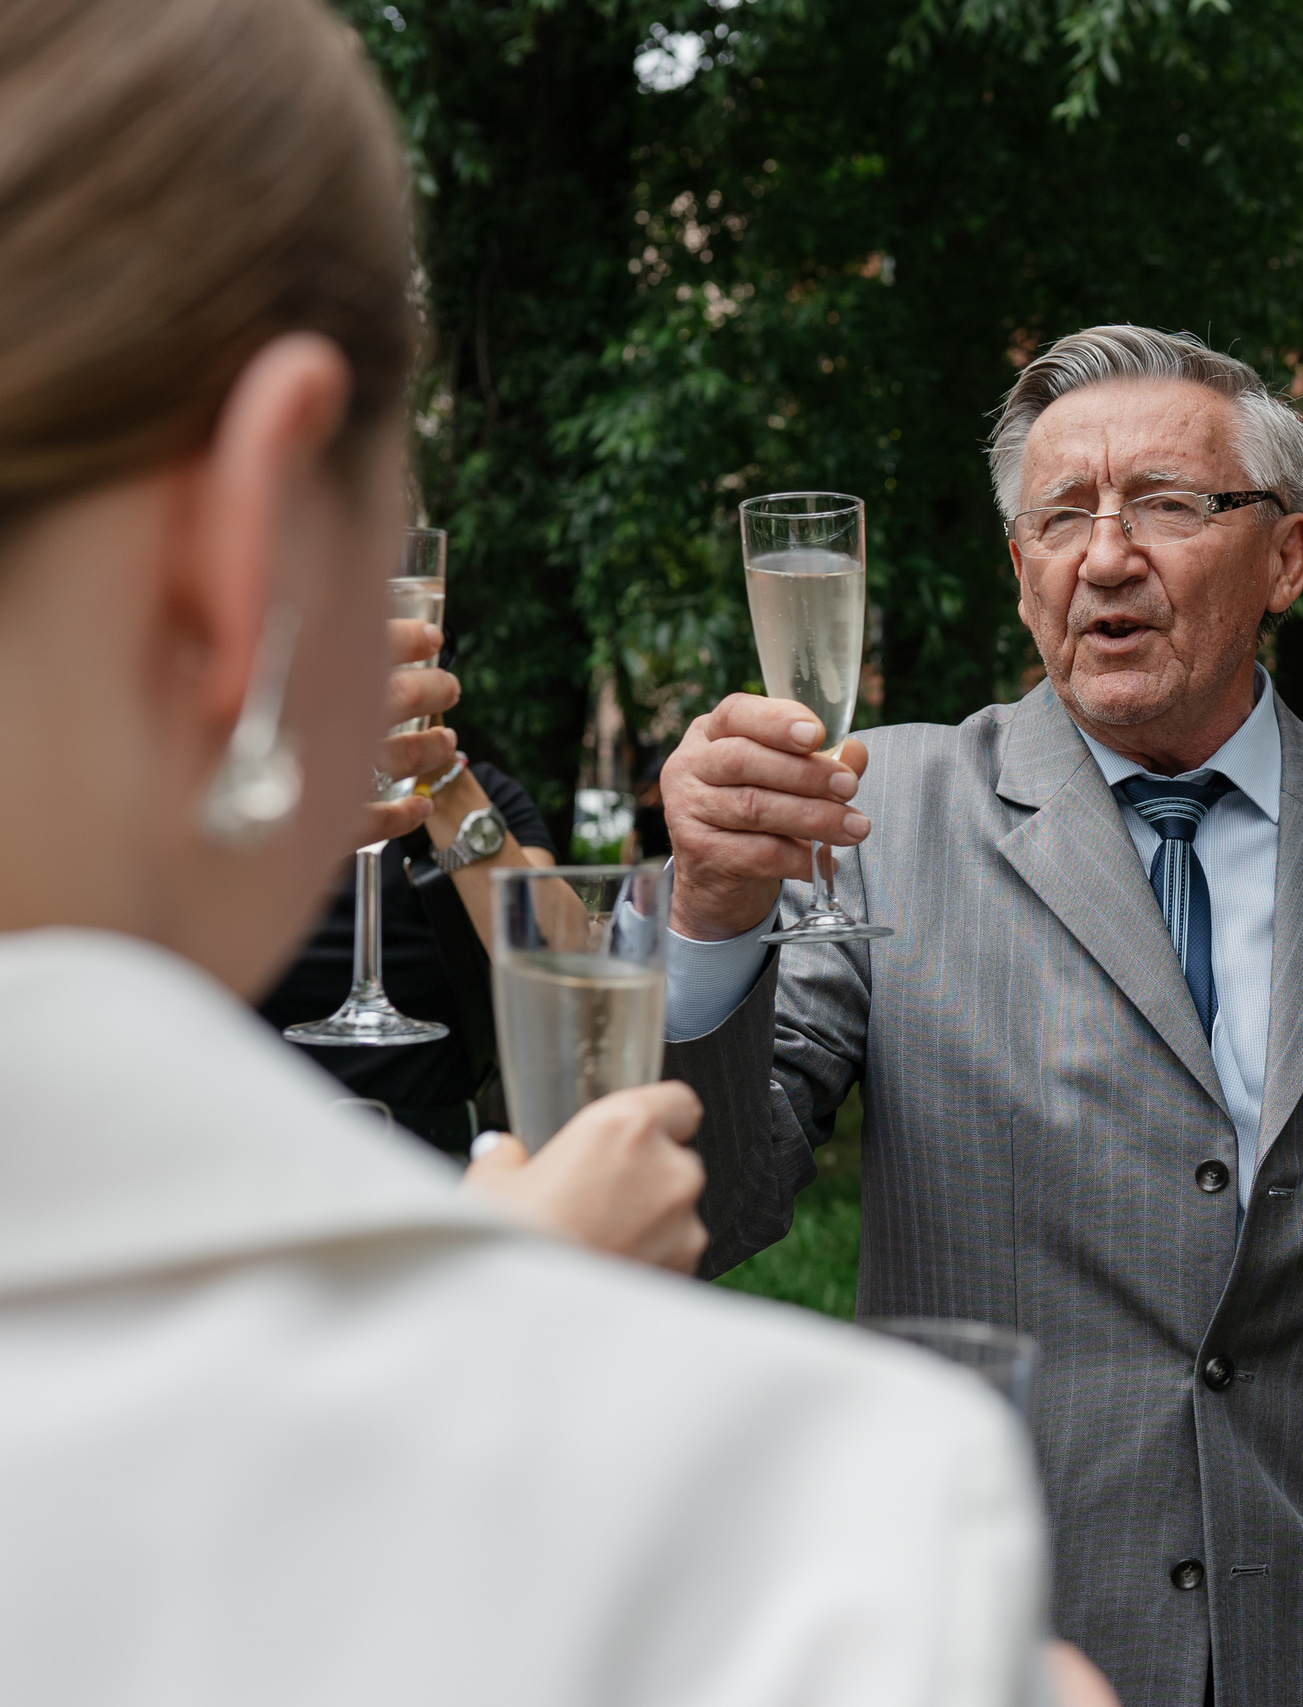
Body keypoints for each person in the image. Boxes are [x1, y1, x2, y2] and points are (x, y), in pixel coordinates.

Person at [0, 1, 1055, 1700]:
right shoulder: (828, 1545)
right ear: (249, 529)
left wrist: (446, 797)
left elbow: (557, 963)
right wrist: (507, 1356)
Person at [656, 326, 1303, 1706]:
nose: (1105, 555)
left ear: (1285, 556)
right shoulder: (878, 817)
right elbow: (709, 1204)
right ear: (1021, 561)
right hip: (996, 1649)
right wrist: (709, 919)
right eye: (1058, 516)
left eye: (1165, 503)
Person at [260, 754, 557, 1151]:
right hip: (242, 1154)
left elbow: (555, 965)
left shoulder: (477, 791)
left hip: (433, 1160)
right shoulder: (234, 793)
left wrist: (442, 779)